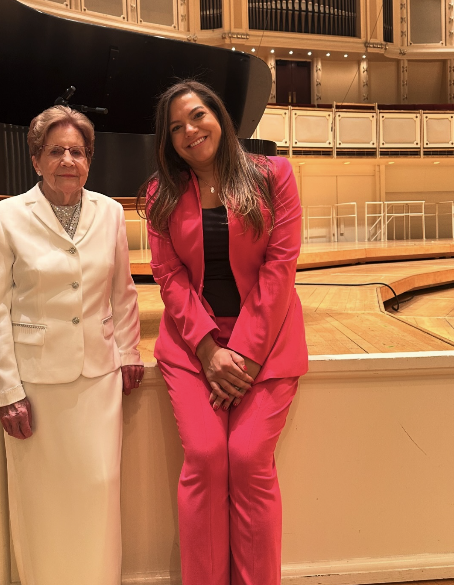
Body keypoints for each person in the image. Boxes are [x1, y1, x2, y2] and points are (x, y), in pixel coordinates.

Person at [139, 80, 308, 585]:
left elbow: (280, 267)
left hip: (268, 341)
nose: (190, 131)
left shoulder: (273, 176)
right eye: (176, 127)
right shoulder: (161, 193)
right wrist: (210, 351)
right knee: (207, 457)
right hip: (195, 345)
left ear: (219, 117)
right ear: (168, 141)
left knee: (249, 458)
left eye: (197, 116)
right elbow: (168, 275)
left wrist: (246, 357)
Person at [0, 105, 144, 585]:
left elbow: (123, 291)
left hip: (98, 380)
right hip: (36, 386)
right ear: (36, 160)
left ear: (89, 159)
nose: (68, 160)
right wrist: (6, 391)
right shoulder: (6, 216)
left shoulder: (111, 212)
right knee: (43, 501)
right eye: (56, 151)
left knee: (100, 490)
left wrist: (129, 352)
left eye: (78, 151)